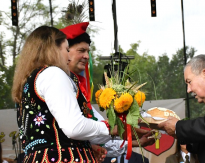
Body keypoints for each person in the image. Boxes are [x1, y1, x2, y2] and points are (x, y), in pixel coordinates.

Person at [8, 25, 139, 163]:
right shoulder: (53, 74)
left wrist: (118, 138)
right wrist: (112, 129)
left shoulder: (31, 80)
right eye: (66, 48)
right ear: (53, 48)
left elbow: (65, 128)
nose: (66, 54)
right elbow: (74, 126)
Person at [60, 22, 153, 155]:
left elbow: (96, 133)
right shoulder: (58, 82)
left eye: (88, 51)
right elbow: (83, 130)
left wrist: (132, 141)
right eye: (81, 51)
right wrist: (113, 127)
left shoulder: (77, 86)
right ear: (65, 51)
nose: (86, 56)